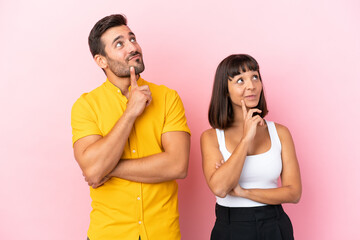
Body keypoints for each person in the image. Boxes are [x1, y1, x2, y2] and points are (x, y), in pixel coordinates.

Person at [71, 14, 191, 240]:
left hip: (162, 233)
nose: (133, 47)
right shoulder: (86, 106)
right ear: (101, 60)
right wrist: (131, 112)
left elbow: (177, 165)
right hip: (108, 234)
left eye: (132, 39)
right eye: (120, 44)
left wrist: (108, 168)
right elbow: (92, 169)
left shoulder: (168, 98)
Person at [201, 54, 302, 240]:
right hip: (230, 227)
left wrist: (244, 192)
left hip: (274, 224)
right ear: (225, 90)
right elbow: (220, 188)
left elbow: (294, 192)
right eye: (240, 80)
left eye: (255, 76)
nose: (251, 85)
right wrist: (246, 138)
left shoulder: (280, 133)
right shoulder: (211, 137)